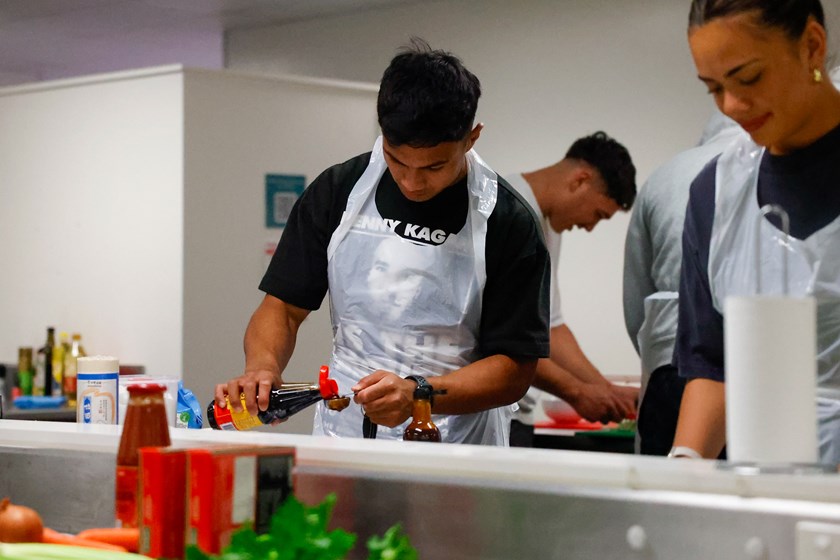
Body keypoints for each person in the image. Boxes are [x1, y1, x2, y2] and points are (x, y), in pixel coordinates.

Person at [215, 39, 551, 445]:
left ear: (472, 137)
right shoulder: (337, 192)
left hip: (456, 440)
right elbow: (282, 309)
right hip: (346, 430)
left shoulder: (507, 222)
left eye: (434, 166)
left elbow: (514, 367)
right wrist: (262, 368)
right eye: (396, 160)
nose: (412, 182)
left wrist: (418, 394)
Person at [671, 0, 840, 463]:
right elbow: (712, 364)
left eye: (748, 78)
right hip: (770, 492)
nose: (731, 106)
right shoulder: (717, 194)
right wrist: (686, 467)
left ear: (811, 46)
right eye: (714, 89)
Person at [505, 132, 639, 447]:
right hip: (492, 416)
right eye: (598, 215)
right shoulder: (507, 212)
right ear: (580, 180)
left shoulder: (546, 223)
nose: (591, 227)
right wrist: (577, 392)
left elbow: (551, 326)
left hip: (519, 416)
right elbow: (504, 338)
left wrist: (606, 390)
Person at [623, 110, 742, 456]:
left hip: (668, 360)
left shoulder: (666, 175)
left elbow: (636, 302)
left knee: (667, 493)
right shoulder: (767, 169)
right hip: (751, 367)